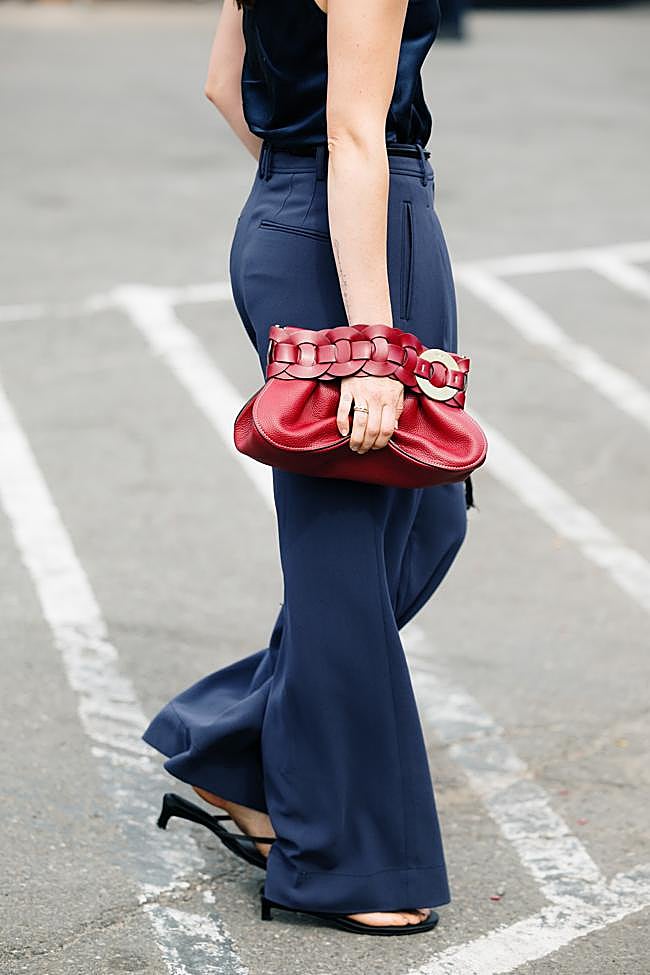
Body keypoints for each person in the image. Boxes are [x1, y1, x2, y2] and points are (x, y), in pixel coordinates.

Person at [142, 0, 472, 936]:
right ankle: (338, 858)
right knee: (345, 554)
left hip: (309, 211)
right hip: (357, 223)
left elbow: (223, 83)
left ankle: (235, 749)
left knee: (428, 520)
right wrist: (371, 343)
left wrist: (290, 196)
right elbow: (356, 135)